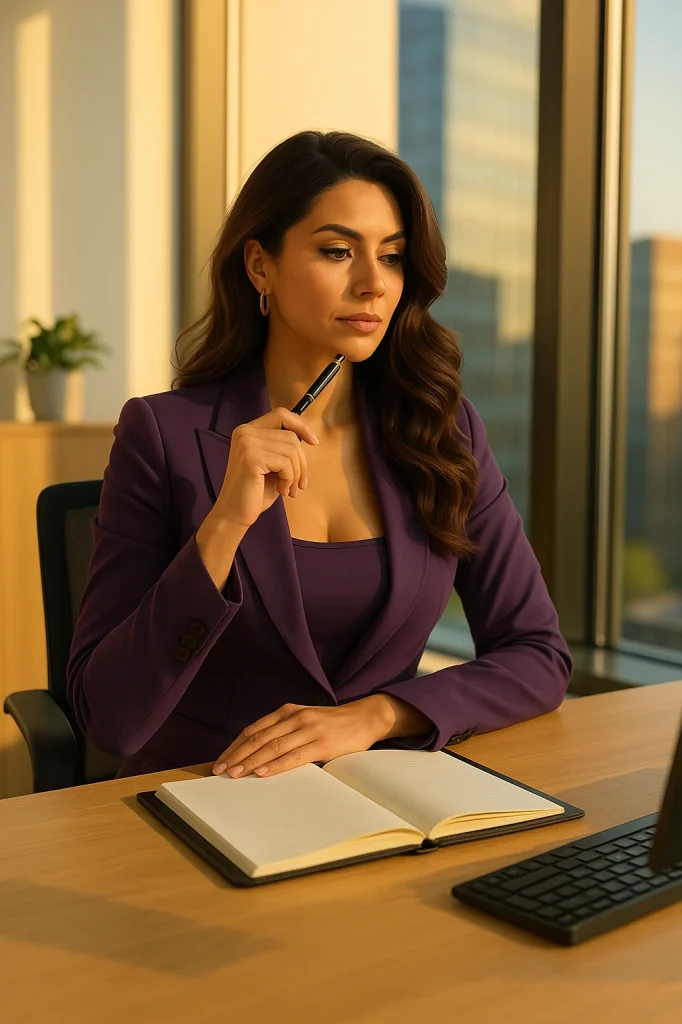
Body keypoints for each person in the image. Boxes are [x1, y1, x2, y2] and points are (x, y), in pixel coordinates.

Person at [67, 130, 572, 782]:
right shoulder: (161, 434)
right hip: (205, 797)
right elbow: (109, 718)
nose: (371, 284)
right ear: (259, 266)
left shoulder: (443, 434)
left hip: (382, 799)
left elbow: (538, 654)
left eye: (391, 257)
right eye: (337, 252)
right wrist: (223, 526)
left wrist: (378, 715)